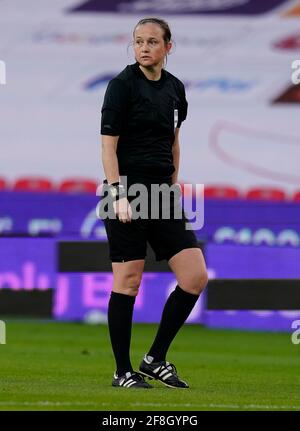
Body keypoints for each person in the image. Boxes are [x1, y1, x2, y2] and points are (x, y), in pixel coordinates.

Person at [100, 17, 208, 389]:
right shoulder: (121, 86)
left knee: (195, 277)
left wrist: (174, 185)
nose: (143, 47)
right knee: (128, 282)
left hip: (163, 194)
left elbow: (174, 140)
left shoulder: (176, 89)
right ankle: (121, 371)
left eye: (151, 41)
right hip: (127, 192)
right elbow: (108, 145)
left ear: (168, 47)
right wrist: (117, 194)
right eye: (138, 41)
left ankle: (155, 358)